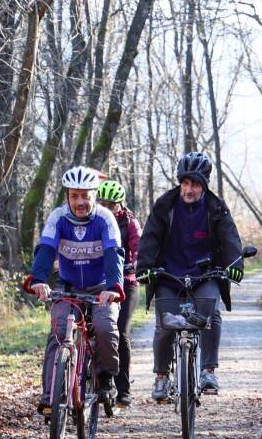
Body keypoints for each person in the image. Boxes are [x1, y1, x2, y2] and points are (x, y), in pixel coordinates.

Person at [136, 152, 244, 400]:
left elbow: (229, 239)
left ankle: (208, 371)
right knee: (165, 324)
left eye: (194, 184)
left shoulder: (216, 208)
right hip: (168, 275)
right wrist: (145, 266)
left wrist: (234, 264)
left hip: (205, 275)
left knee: (211, 313)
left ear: (204, 185)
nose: (189, 189)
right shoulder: (165, 205)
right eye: (185, 183)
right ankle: (161, 377)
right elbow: (150, 238)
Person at [25, 166, 124, 413]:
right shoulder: (58, 218)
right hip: (68, 287)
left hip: (101, 288)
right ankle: (50, 396)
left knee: (104, 327)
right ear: (67, 196)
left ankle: (106, 379)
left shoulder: (105, 219)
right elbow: (46, 249)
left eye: (85, 196)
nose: (80, 202)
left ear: (94, 195)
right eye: (74, 196)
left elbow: (114, 254)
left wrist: (113, 287)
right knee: (58, 330)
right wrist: (38, 280)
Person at [96, 179, 142, 408]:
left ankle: (123, 389)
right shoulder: (94, 220)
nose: (108, 209)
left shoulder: (130, 223)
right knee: (94, 327)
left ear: (120, 205)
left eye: (112, 205)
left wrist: (136, 264)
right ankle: (97, 379)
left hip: (126, 282)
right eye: (103, 204)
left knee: (120, 331)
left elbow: (139, 248)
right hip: (100, 283)